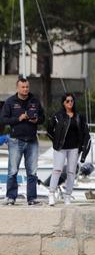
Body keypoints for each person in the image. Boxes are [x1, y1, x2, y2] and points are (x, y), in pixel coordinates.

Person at [1, 77, 45, 206]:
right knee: (12, 171)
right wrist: (18, 118)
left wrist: (37, 120)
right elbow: (3, 119)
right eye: (23, 87)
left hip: (32, 141)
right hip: (15, 141)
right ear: (17, 88)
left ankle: (32, 198)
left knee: (32, 171)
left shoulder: (35, 101)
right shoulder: (10, 102)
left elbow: (43, 117)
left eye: (27, 87)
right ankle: (10, 197)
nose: (25, 89)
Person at [46, 93, 91, 206]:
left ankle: (67, 196)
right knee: (57, 170)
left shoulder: (79, 117)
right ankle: (51, 193)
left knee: (71, 172)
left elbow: (85, 132)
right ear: (63, 103)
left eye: (71, 101)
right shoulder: (57, 116)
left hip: (74, 148)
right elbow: (49, 131)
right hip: (60, 147)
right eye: (67, 101)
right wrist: (56, 142)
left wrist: (82, 147)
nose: (70, 103)